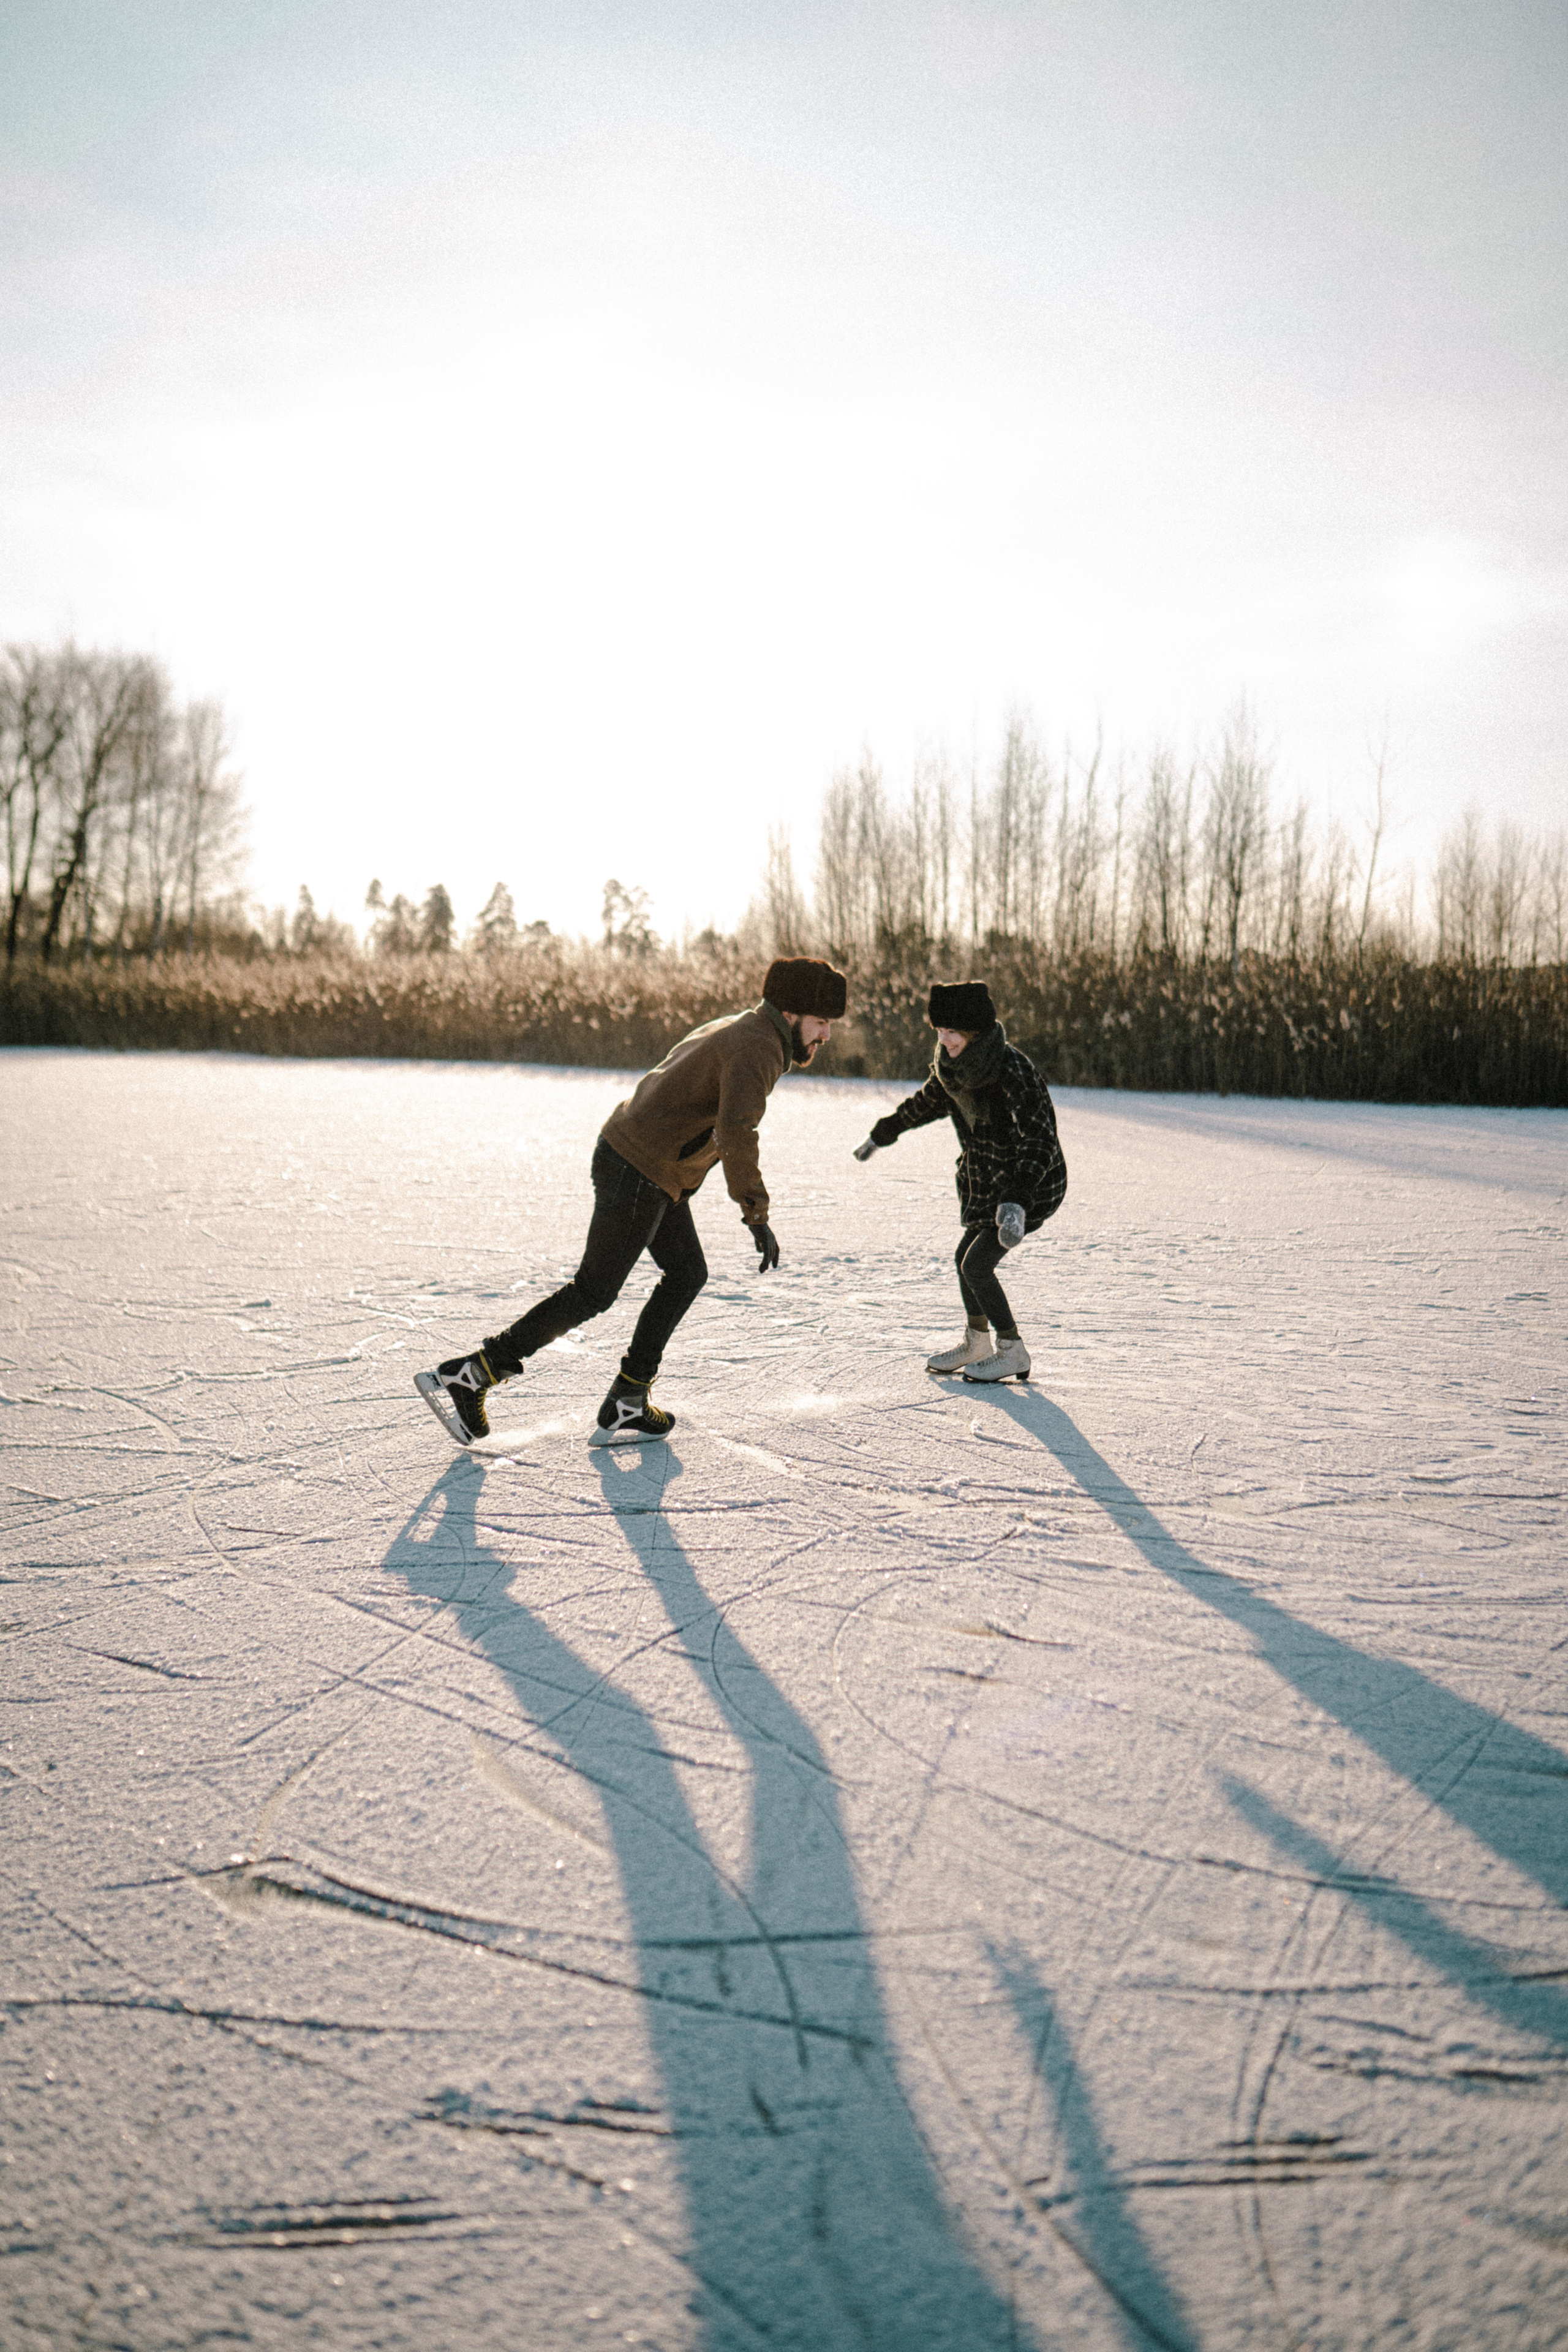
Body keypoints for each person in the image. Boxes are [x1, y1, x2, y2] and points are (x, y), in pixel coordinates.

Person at [417, 957, 848, 1447]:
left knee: (687, 1273)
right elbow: (736, 1132)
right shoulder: (759, 1047)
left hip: (650, 1167)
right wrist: (756, 1213)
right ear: (791, 1014)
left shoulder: (741, 1027)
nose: (826, 1036)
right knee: (594, 1292)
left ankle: (628, 1399)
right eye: (822, 1022)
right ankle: (473, 1374)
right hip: (640, 1168)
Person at [852, 980, 1066, 1382]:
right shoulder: (952, 1068)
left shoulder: (1011, 1069)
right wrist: (883, 1133)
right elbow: (926, 1102)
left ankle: (1012, 1350)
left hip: (1031, 1183)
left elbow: (1041, 1139)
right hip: (988, 1179)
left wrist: (1019, 1198)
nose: (944, 1039)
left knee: (977, 1265)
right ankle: (977, 1342)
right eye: (939, 1031)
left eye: (952, 1032)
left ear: (975, 1033)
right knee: (964, 1260)